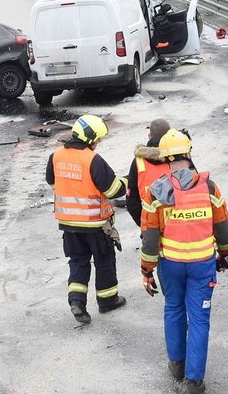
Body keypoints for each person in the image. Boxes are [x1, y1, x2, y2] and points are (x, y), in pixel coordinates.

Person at [140, 129, 228, 394]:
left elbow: (150, 236)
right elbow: (222, 228)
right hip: (202, 265)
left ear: (165, 158)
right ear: (189, 153)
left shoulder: (156, 192)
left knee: (173, 309)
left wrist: (147, 269)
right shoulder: (209, 187)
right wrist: (224, 254)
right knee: (200, 318)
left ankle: (177, 365)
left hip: (171, 264)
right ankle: (194, 381)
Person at [46, 115, 128, 324]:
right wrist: (127, 182)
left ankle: (77, 302)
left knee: (78, 261)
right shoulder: (93, 160)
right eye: (98, 139)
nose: (98, 143)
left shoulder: (56, 156)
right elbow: (113, 190)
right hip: (95, 223)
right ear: (90, 138)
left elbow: (52, 182)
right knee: (104, 260)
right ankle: (108, 300)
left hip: (69, 225)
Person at [125, 118, 171, 228]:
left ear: (150, 136)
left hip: (150, 226)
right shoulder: (179, 158)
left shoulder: (138, 162)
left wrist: (144, 225)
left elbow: (132, 201)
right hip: (178, 225)